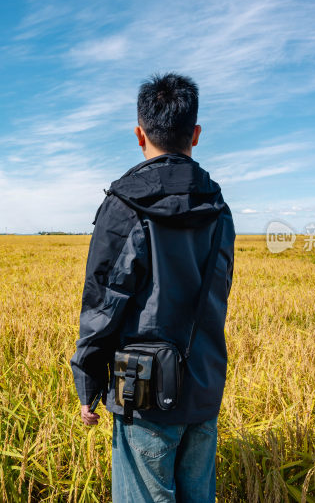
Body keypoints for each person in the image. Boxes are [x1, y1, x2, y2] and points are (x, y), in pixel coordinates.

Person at [70, 73, 235, 502]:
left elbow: (103, 303)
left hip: (142, 391)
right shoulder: (219, 208)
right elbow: (218, 292)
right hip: (203, 384)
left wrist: (88, 379)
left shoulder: (124, 206)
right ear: (195, 134)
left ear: (139, 134)